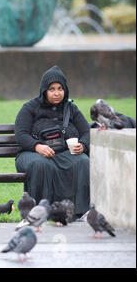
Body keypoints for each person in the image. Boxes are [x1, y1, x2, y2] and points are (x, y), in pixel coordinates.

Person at [14, 65, 90, 217]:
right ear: (44, 90)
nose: (57, 93)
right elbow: (21, 134)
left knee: (83, 161)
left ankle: (80, 212)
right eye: (52, 89)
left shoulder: (71, 108)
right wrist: (37, 147)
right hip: (32, 154)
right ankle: (40, 212)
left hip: (63, 153)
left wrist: (83, 145)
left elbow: (86, 131)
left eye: (60, 88)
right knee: (41, 164)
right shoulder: (30, 108)